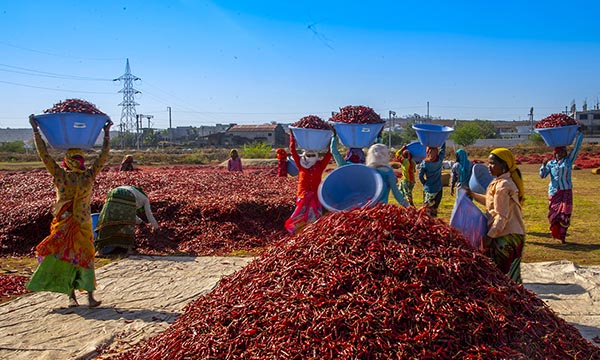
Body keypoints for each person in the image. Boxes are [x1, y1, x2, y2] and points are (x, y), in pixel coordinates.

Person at [26, 115, 112, 308]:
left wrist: (36, 131)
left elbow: (44, 155)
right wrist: (106, 134)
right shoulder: (88, 176)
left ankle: (73, 297)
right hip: (80, 223)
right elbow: (103, 157)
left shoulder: (60, 175)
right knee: (84, 257)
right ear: (80, 162)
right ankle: (85, 296)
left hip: (67, 222)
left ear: (66, 162)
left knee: (68, 258)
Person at [466, 148, 525, 283]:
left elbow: (501, 216)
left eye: (492, 163)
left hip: (507, 235)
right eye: (488, 163)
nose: (489, 166)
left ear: (503, 166)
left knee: (503, 277)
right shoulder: (499, 182)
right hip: (509, 233)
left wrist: (489, 236)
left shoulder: (502, 186)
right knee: (508, 277)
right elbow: (490, 201)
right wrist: (472, 195)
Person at [539, 130, 584, 244]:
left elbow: (576, 148)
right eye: (559, 153)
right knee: (553, 213)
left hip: (566, 191)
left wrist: (580, 134)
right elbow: (542, 176)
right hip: (554, 192)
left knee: (565, 214)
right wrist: (543, 166)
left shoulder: (569, 161)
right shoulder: (551, 164)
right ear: (555, 154)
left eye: (563, 152)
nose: (561, 154)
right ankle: (555, 232)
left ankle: (562, 236)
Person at [285, 133, 332, 234]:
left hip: (315, 195)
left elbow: (329, 153)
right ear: (304, 155)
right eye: (308, 155)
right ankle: (296, 231)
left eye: (313, 155)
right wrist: (292, 136)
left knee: (314, 215)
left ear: (316, 156)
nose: (310, 157)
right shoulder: (301, 164)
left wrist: (332, 138)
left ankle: (312, 232)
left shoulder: (320, 165)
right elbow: (292, 151)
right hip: (303, 194)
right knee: (300, 214)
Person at [95, 185, 159, 255]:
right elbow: (149, 215)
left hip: (113, 192)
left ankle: (100, 250)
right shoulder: (145, 199)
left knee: (108, 218)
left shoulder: (135, 191)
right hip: (128, 195)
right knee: (129, 222)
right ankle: (129, 249)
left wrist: (140, 221)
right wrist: (156, 227)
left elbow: (132, 214)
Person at [418, 143, 446, 217]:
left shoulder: (425, 163)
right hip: (438, 188)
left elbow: (420, 176)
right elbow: (443, 150)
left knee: (426, 209)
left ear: (427, 152)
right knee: (434, 208)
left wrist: (425, 183)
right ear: (436, 152)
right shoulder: (439, 159)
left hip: (429, 189)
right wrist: (442, 140)